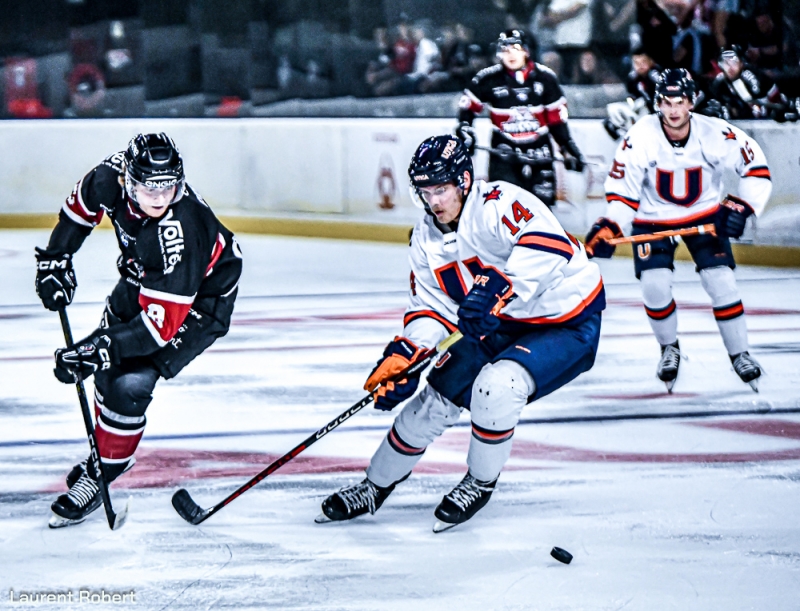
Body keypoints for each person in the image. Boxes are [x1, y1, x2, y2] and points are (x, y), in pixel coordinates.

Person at [316, 135, 604, 532]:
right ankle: (373, 486)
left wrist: (496, 287)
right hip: (500, 323)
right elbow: (431, 307)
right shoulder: (425, 240)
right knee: (430, 403)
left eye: (442, 189)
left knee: (496, 387)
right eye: (426, 191)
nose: (434, 201)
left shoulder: (500, 201)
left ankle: (480, 482)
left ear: (464, 181)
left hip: (565, 321)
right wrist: (407, 353)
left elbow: (547, 244)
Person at [35, 133, 243, 527]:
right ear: (128, 180)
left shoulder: (180, 229)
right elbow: (79, 212)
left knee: (129, 382)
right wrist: (55, 259)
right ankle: (106, 452)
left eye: (168, 185)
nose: (160, 196)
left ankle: (106, 471)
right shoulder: (109, 178)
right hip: (145, 274)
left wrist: (95, 349)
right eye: (150, 186)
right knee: (106, 369)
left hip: (200, 299)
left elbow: (156, 331)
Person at [584, 69, 772, 392]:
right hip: (652, 220)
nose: (673, 110)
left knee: (722, 282)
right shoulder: (640, 136)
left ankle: (740, 353)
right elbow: (623, 191)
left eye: (680, 101)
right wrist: (612, 223)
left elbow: (755, 167)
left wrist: (744, 206)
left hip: (706, 217)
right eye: (667, 102)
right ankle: (668, 348)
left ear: (692, 101)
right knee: (654, 288)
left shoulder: (715, 132)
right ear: (657, 103)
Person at [456, 28, 586, 208]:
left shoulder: (545, 78)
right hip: (504, 157)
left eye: (515, 48)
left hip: (540, 156)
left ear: (526, 50)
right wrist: (465, 131)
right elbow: (467, 108)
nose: (510, 55)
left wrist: (568, 147)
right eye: (505, 50)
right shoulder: (487, 79)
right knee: (503, 210)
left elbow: (556, 121)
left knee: (542, 210)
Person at [704, 45, 788, 121]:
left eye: (734, 62)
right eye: (725, 63)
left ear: (741, 62)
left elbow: (757, 107)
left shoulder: (750, 77)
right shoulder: (719, 82)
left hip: (769, 113)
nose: (730, 67)